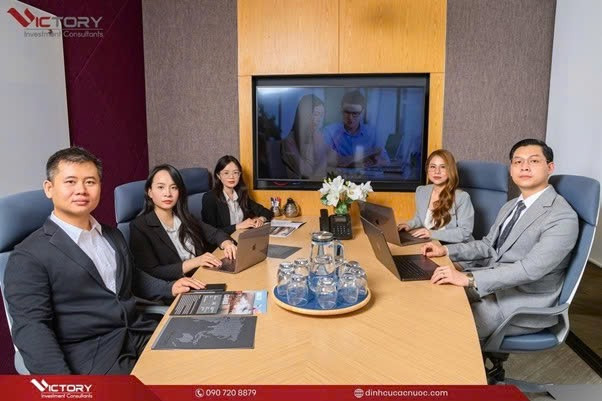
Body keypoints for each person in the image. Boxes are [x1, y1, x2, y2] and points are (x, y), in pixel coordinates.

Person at [4, 147, 204, 374]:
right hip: (93, 357)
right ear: (49, 188)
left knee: (208, 357)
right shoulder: (28, 256)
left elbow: (132, 277)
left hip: (138, 333)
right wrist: (65, 387)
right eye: (70, 182)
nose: (81, 190)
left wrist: (170, 287)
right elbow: (32, 329)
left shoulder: (111, 235)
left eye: (90, 182)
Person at [421, 139, 578, 340]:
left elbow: (530, 269)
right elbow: (488, 245)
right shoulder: (511, 206)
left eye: (534, 161)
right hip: (493, 284)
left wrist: (469, 278)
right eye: (518, 162)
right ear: (511, 170)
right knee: (429, 298)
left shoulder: (562, 216)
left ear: (550, 167)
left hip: (520, 302)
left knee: (445, 332)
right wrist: (446, 251)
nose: (524, 167)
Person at [130, 164, 237, 281]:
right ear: (150, 192)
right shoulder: (140, 226)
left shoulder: (185, 217)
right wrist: (195, 262)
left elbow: (215, 233)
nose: (167, 193)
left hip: (203, 275)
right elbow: (151, 272)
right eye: (161, 187)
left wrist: (227, 244)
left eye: (174, 187)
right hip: (176, 286)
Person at [397, 149, 474, 243]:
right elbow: (420, 218)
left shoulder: (462, 197)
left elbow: (465, 232)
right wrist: (409, 225)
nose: (437, 171)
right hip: (431, 243)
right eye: (433, 166)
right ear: (427, 169)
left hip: (455, 247)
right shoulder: (421, 191)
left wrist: (431, 234)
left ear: (451, 170)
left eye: (443, 167)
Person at [202, 155, 273, 235]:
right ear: (218, 175)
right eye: (226, 173)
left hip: (243, 237)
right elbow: (210, 232)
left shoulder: (241, 194)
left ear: (239, 175)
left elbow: (267, 212)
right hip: (225, 241)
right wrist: (237, 226)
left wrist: (261, 219)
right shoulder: (210, 198)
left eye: (235, 172)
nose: (231, 177)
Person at [323, 90, 389, 167]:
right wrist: (366, 154)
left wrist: (375, 162)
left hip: (366, 173)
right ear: (341, 110)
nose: (350, 118)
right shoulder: (329, 131)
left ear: (362, 112)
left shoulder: (373, 133)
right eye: (347, 112)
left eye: (355, 113)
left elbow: (386, 161)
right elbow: (325, 160)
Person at [281, 94, 336, 179]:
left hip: (318, 183)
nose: (319, 120)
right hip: (302, 186)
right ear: (304, 115)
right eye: (316, 114)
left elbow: (334, 159)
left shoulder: (315, 136)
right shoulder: (289, 142)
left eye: (321, 116)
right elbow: (307, 173)